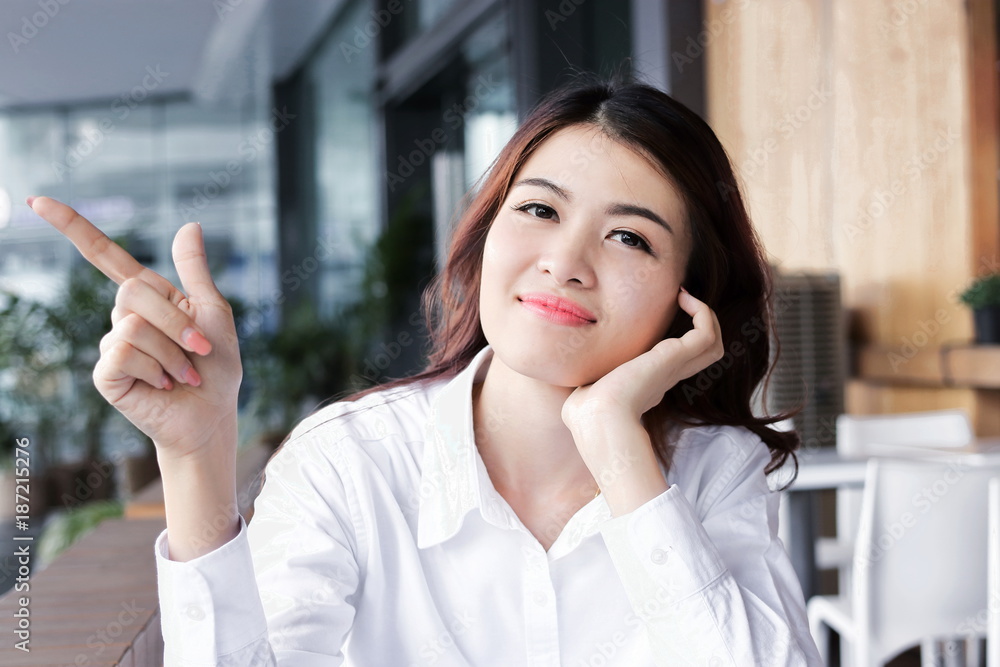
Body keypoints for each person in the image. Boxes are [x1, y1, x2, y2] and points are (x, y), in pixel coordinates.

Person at [29, 75, 822, 665]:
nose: (566, 262)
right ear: (485, 238)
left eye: (631, 238)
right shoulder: (352, 459)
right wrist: (196, 458)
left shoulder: (714, 471)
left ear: (692, 301)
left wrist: (617, 444)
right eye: (540, 210)